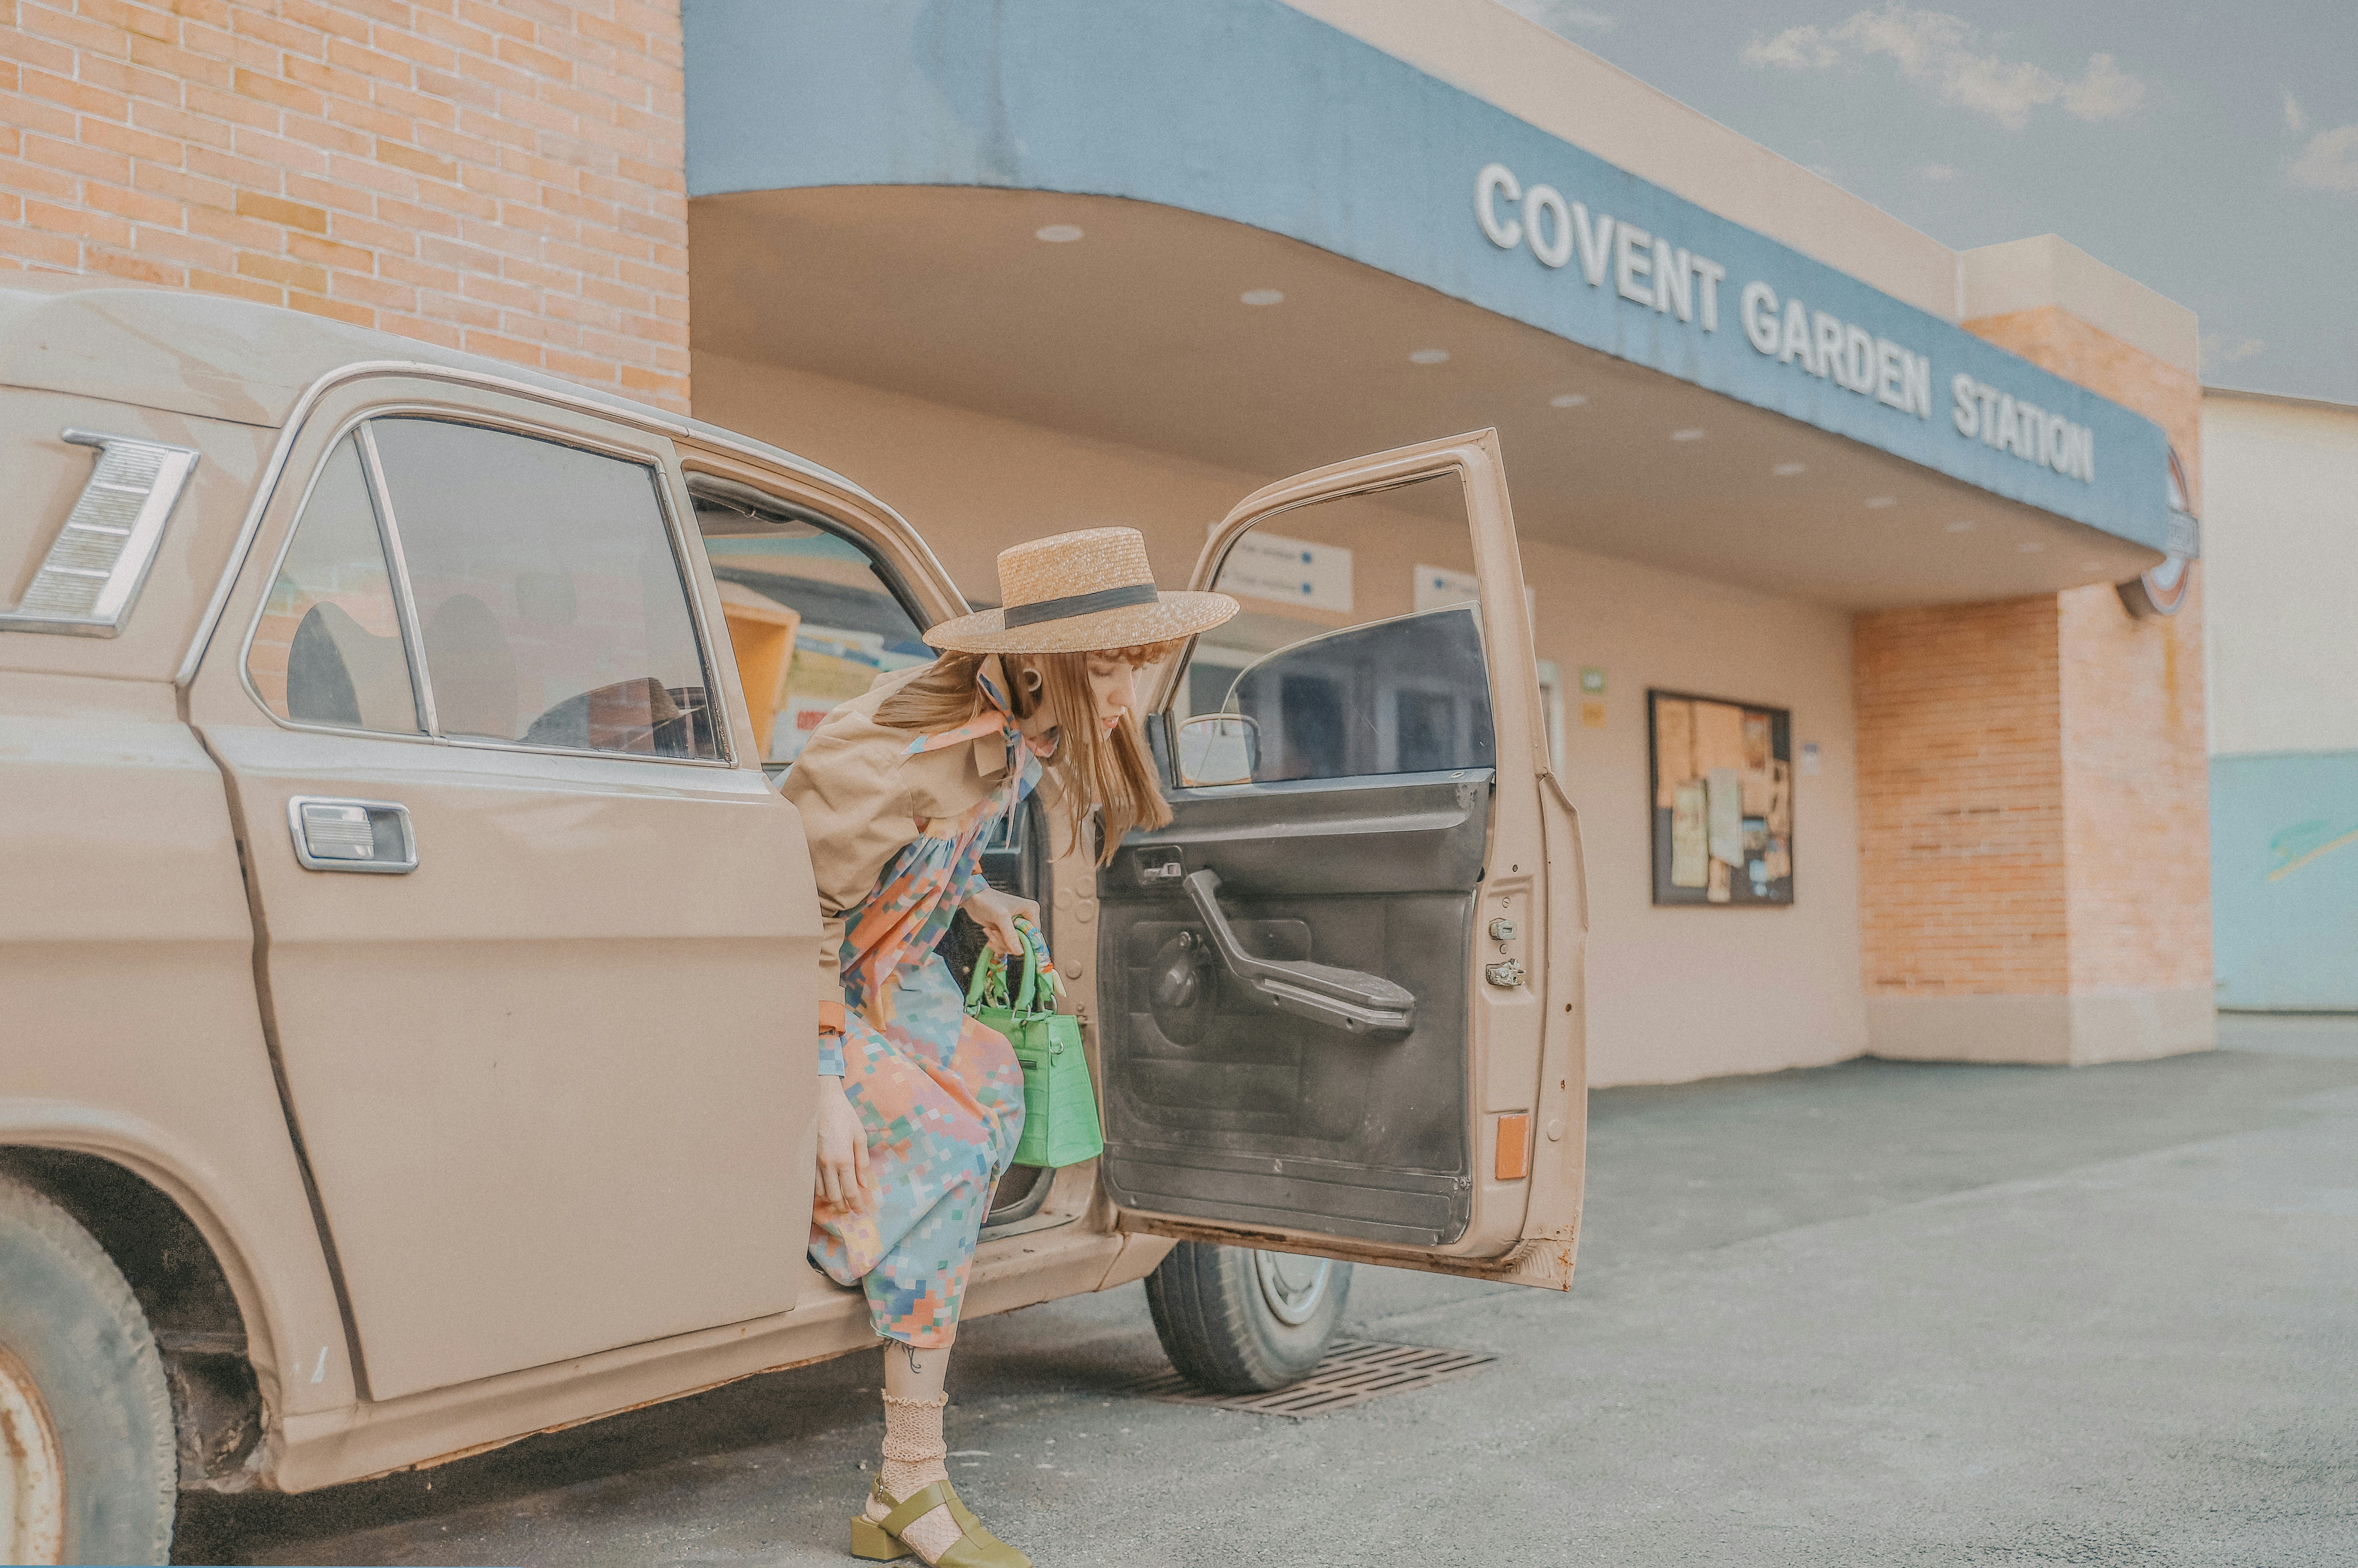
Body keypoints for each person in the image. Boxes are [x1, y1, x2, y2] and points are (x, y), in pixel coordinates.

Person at [782, 527, 1238, 1566]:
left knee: (993, 1087)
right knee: (940, 1142)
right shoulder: (892, 747)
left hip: (895, 970)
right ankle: (908, 1478)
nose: (1129, 690)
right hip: (803, 988)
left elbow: (911, 858)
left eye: (1138, 660)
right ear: (1042, 663)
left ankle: (896, 1248)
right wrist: (818, 1088)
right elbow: (789, 910)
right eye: (1112, 663)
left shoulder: (1025, 737)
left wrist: (973, 896)